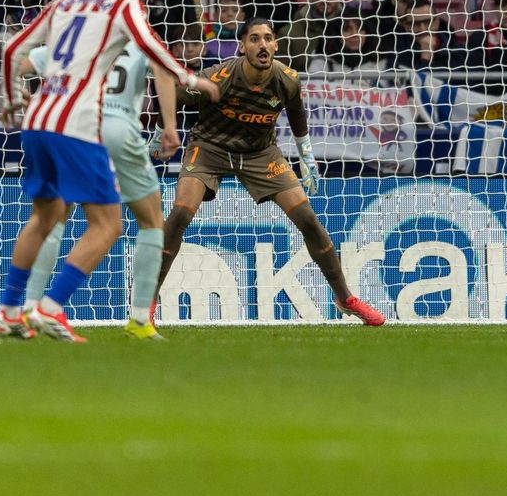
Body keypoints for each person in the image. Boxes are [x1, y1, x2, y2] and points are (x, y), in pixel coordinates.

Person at [0, 0, 215, 342]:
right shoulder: (123, 6)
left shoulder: (63, 4)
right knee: (108, 224)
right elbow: (155, 52)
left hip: (38, 120)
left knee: (44, 217)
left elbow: (10, 50)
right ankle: (52, 307)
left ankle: (9, 311)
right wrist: (193, 79)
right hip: (78, 123)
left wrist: (11, 100)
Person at [154, 19, 385, 326]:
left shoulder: (287, 79)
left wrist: (306, 156)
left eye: (267, 38)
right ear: (242, 46)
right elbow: (172, 92)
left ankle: (345, 298)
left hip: (260, 153)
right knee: (181, 213)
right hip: (210, 147)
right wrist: (161, 131)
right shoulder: (218, 77)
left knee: (308, 220)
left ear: (276, 45)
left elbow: (296, 113)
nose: (262, 45)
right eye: (254, 39)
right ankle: (148, 300)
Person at [16, 6, 181, 340]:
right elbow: (164, 73)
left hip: (76, 128)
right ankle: (138, 319)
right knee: (149, 221)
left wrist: (27, 96)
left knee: (56, 216)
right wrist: (170, 126)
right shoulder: (144, 41)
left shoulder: (81, 44)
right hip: (119, 129)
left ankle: (29, 307)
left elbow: (21, 64)